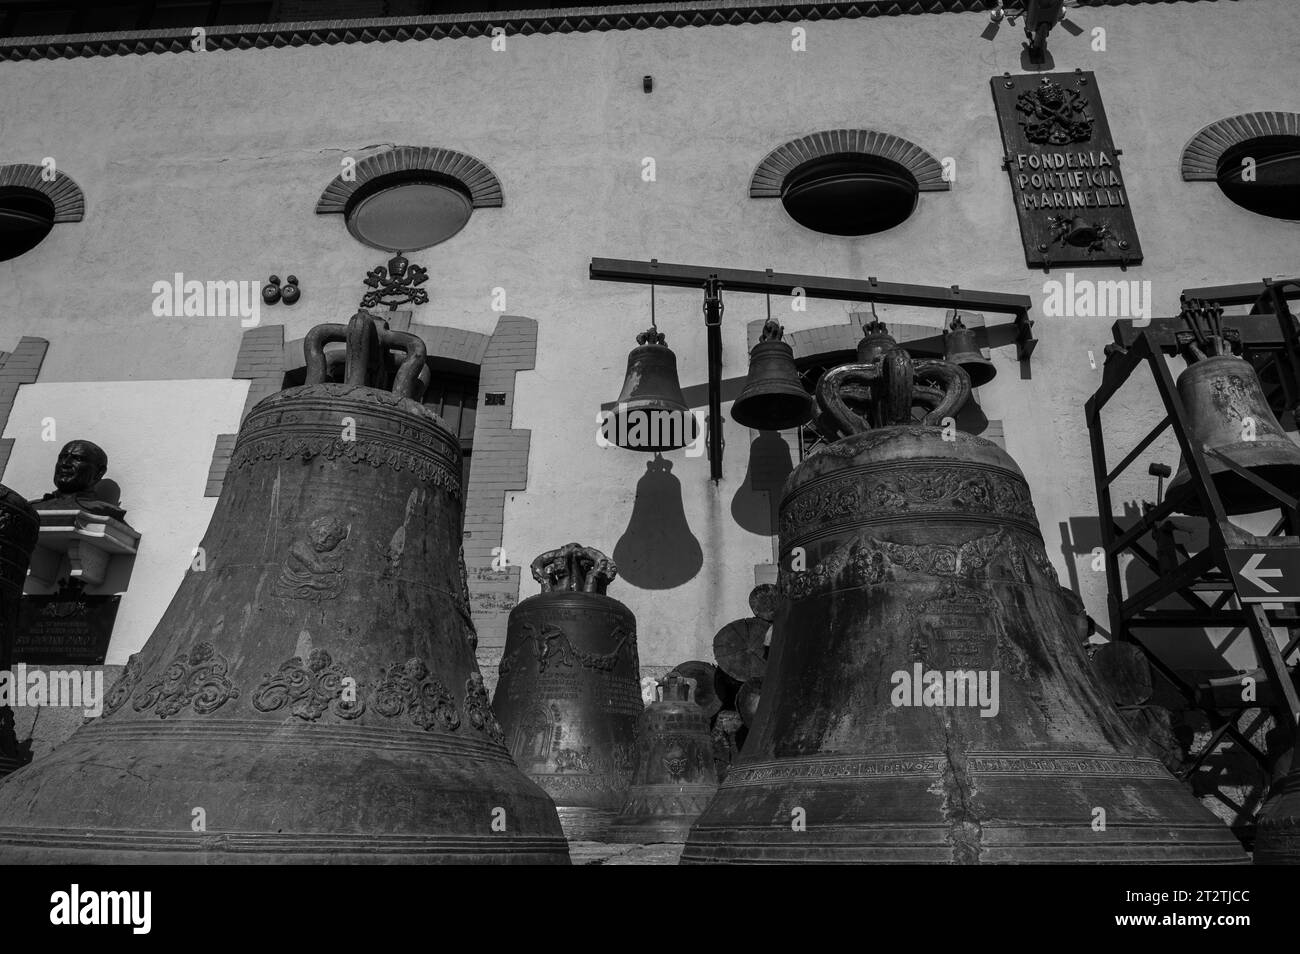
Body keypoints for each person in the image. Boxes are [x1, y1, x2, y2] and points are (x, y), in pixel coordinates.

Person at [30, 440, 124, 520]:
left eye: (77, 459)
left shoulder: (103, 512)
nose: (65, 463)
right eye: (62, 457)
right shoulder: (30, 508)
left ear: (99, 472)